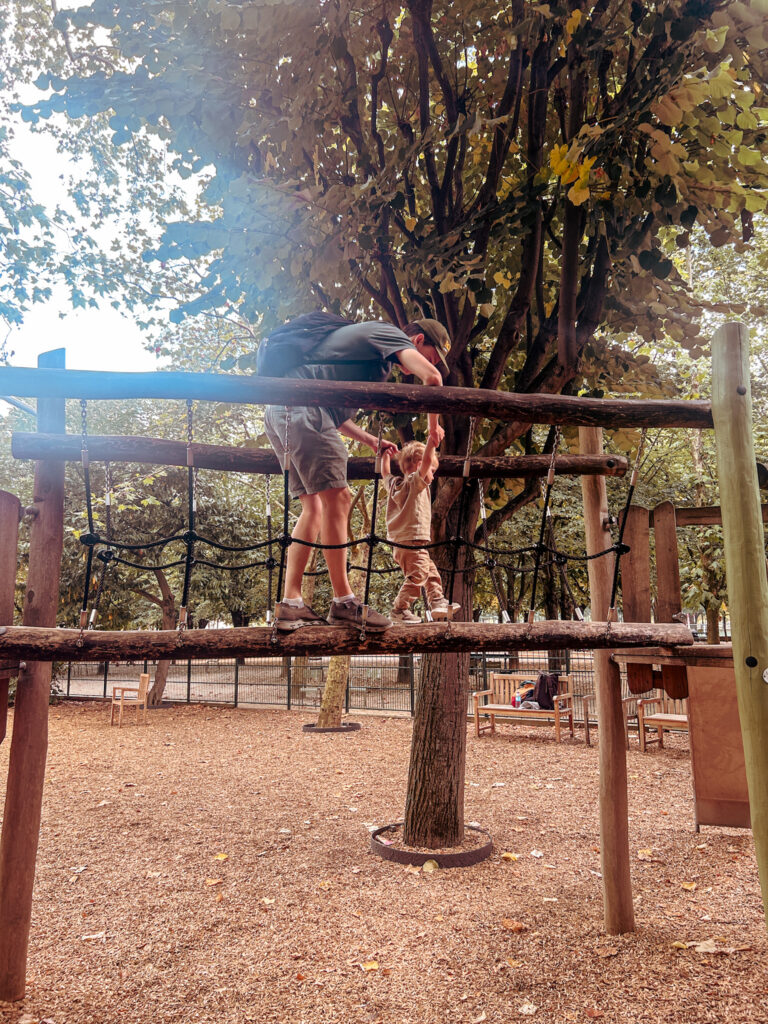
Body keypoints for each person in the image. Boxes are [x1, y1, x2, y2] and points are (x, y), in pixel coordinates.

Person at [264, 318, 451, 631]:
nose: (431, 362)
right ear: (417, 340)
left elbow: (335, 416)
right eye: (431, 354)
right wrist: (433, 429)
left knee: (314, 508)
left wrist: (370, 440)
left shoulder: (372, 359)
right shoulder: (388, 335)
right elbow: (432, 380)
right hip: (303, 409)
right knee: (339, 497)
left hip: (283, 410)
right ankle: (344, 602)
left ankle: (291, 603)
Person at [380, 437, 461, 623]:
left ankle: (437, 601)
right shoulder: (416, 482)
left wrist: (384, 456)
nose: (432, 476)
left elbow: (385, 473)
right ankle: (399, 609)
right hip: (413, 541)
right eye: (432, 471)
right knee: (418, 577)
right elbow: (425, 462)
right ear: (419, 465)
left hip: (400, 543)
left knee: (430, 572)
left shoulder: (394, 485)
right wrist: (432, 441)